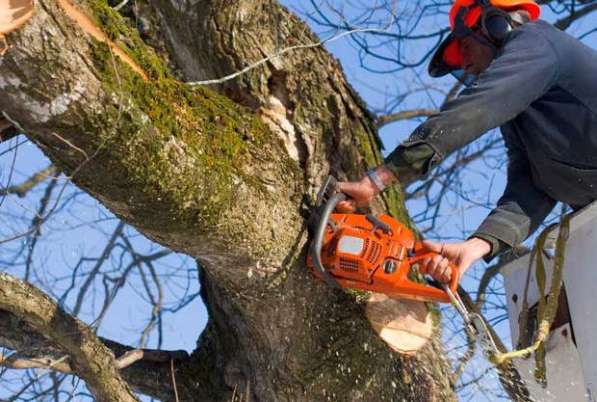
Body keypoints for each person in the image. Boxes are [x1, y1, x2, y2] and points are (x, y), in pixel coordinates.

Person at [336, 0, 597, 284]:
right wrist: (475, 246)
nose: (467, 68)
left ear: (492, 25)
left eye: (465, 49)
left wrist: (378, 179)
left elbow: (475, 109)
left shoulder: (538, 41)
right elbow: (530, 189)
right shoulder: (521, 115)